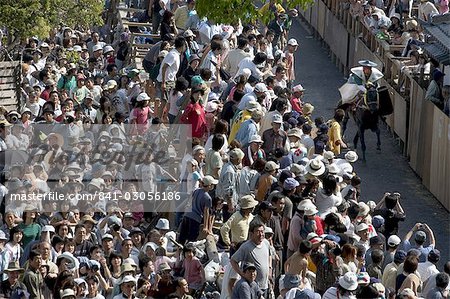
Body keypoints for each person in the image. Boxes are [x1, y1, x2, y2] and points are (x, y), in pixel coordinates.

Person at [231, 223, 272, 295]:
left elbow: (269, 255)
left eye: (262, 231)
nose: (261, 234)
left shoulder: (266, 243)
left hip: (265, 285)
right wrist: (242, 274)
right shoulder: (246, 247)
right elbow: (233, 260)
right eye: (258, 231)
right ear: (251, 234)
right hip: (253, 286)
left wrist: (270, 268)